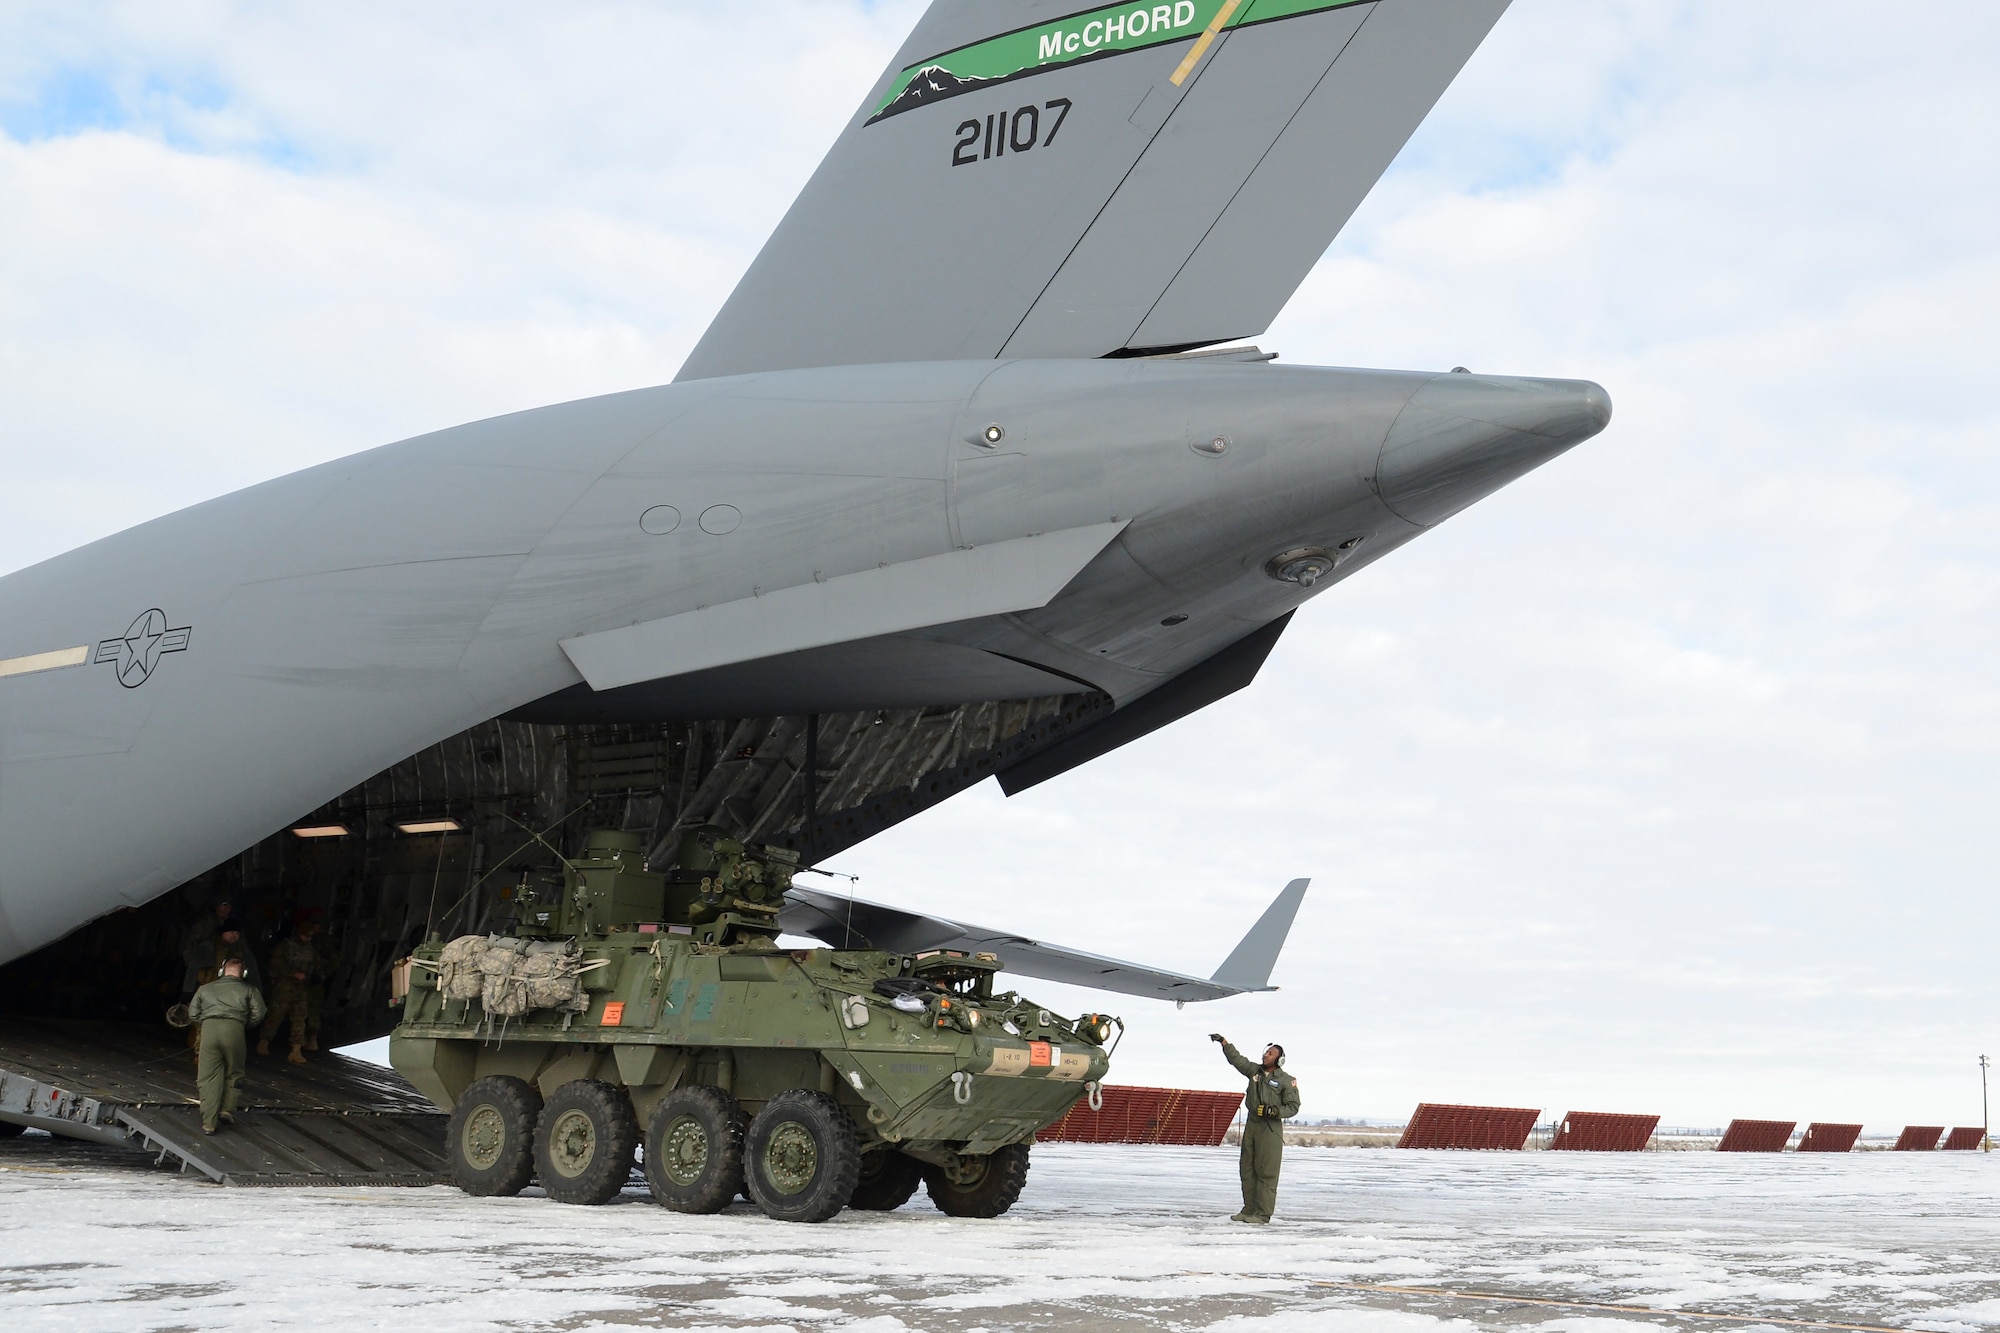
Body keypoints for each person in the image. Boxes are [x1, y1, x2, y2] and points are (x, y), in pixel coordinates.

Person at [1211, 1033, 1301, 1224]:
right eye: (1266, 1052)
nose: (1265, 1055)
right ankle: (1249, 1209)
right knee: (1247, 1168)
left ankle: (1262, 1214)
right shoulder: (1255, 1072)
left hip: (1270, 1129)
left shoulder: (1287, 1080)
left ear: (1279, 1059)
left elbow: (1293, 1107)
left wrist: (1273, 1110)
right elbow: (1238, 1061)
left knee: (1266, 1171)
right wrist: (1224, 1043)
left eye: (1270, 1053)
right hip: (1252, 1125)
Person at [188, 958, 266, 1135]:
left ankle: (209, 1122)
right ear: (243, 973)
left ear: (222, 971)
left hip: (209, 1030)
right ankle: (226, 1109)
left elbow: (192, 1014)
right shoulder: (249, 990)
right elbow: (259, 1013)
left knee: (208, 1076)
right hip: (235, 1030)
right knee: (234, 1072)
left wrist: (206, 1023)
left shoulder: (205, 988)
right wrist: (243, 1024)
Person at [258, 915, 323, 1064]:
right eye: (305, 936)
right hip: (284, 989)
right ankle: (264, 1042)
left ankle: (296, 1050)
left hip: (301, 990)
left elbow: (317, 966)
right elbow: (274, 966)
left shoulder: (311, 950)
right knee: (274, 1017)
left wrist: (317, 977)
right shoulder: (285, 947)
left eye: (309, 937)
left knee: (299, 1020)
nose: (307, 939)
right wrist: (292, 973)